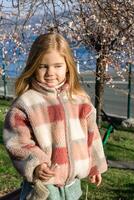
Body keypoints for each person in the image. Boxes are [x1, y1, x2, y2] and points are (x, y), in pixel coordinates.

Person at [3, 32, 107, 200]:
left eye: (57, 66)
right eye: (43, 66)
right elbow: (17, 143)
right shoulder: (26, 104)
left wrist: (95, 166)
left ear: (68, 66)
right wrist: (36, 164)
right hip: (43, 187)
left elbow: (92, 136)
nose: (50, 72)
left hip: (72, 185)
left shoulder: (79, 100)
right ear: (33, 66)